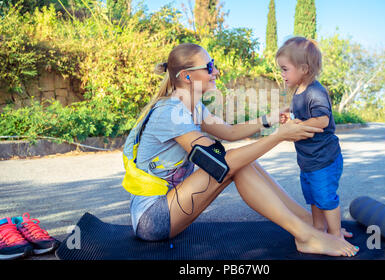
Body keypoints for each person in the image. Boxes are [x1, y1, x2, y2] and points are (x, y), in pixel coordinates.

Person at [122, 42, 359, 257]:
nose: (215, 72)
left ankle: (310, 224)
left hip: (170, 208)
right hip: (152, 219)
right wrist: (279, 136)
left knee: (244, 161)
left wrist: (271, 119)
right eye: (209, 67)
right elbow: (218, 162)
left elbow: (230, 132)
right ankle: (307, 236)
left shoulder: (194, 108)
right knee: (237, 165)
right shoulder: (170, 112)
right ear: (186, 76)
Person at [277, 37, 353, 243]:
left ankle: (335, 235)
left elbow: (322, 120)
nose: (282, 74)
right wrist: (290, 120)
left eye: (285, 69)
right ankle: (320, 228)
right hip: (308, 161)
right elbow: (302, 119)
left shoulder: (315, 91)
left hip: (324, 160)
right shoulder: (298, 93)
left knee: (325, 198)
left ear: (303, 68)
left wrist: (298, 125)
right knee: (312, 197)